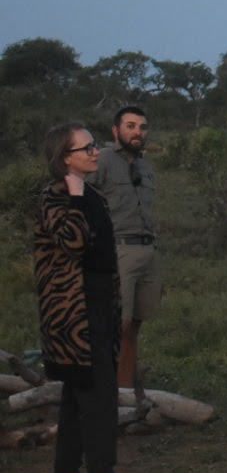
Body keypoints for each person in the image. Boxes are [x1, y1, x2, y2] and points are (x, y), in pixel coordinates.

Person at [34, 122, 134, 473]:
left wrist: (82, 194)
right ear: (65, 158)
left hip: (99, 302)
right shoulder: (56, 197)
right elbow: (73, 243)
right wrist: (75, 197)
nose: (96, 152)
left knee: (78, 395)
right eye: (86, 147)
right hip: (73, 312)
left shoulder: (91, 193)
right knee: (98, 394)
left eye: (94, 145)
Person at [87, 105, 160, 394]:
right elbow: (81, 198)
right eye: (130, 126)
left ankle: (125, 391)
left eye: (142, 127)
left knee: (135, 325)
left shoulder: (145, 166)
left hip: (147, 250)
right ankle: (101, 390)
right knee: (117, 323)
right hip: (118, 249)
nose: (137, 132)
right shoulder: (102, 160)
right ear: (116, 131)